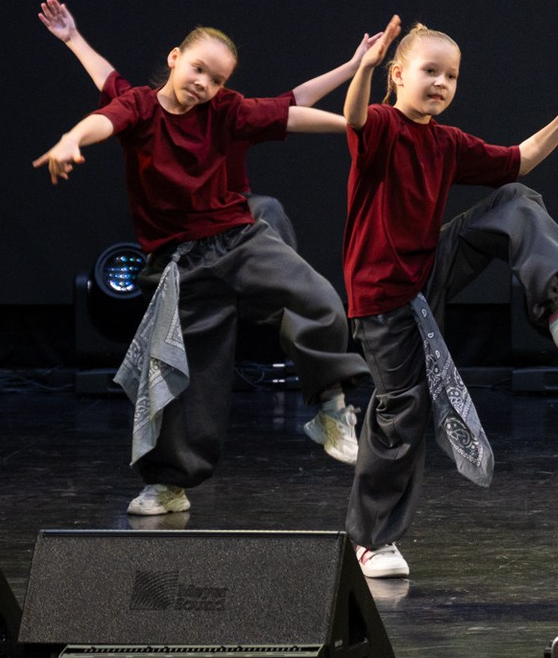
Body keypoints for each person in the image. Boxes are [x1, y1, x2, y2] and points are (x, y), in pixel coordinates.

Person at [342, 17, 558, 578]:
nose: (441, 83)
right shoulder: (381, 126)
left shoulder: (446, 142)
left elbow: (516, 160)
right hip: (381, 294)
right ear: (398, 74)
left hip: (428, 269)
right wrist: (362, 69)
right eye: (430, 72)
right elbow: (353, 116)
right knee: (402, 407)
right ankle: (371, 541)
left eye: (451, 76)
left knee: (515, 198)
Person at [32, 25, 372, 516]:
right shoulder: (139, 107)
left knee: (319, 301)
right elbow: (103, 111)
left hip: (236, 240)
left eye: (216, 80)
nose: (204, 84)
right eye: (198, 69)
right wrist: (71, 134)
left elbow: (291, 109)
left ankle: (331, 406)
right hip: (180, 265)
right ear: (174, 58)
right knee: (186, 381)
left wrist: (355, 122)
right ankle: (169, 485)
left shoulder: (226, 110)